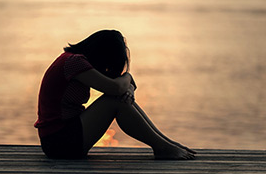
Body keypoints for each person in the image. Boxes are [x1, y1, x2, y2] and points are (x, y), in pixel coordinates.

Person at [34, 30, 196, 160]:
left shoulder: (73, 61)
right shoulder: (74, 62)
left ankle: (165, 143)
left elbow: (122, 87)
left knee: (118, 98)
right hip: (59, 142)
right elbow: (116, 88)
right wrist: (128, 77)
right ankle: (162, 147)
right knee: (114, 100)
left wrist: (129, 89)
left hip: (63, 139)